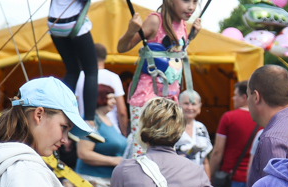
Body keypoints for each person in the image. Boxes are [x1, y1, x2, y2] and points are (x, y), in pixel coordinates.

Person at [117, 0, 201, 157]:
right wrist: (130, 31)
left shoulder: (182, 24)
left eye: (195, 2)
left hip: (169, 98)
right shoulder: (156, 21)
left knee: (167, 151)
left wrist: (190, 37)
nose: (191, 7)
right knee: (142, 151)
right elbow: (121, 48)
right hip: (146, 98)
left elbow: (174, 54)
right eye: (186, 1)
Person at [209, 81, 257, 187]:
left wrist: (212, 174)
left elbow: (217, 151)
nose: (232, 98)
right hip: (251, 180)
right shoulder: (260, 120)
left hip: (229, 180)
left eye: (235, 95)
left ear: (244, 97)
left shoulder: (228, 118)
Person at [49, 0, 99, 131]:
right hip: (74, 22)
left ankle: (61, 114)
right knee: (91, 70)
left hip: (54, 23)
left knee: (72, 70)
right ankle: (89, 121)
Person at [75, 85, 127, 187]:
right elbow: (83, 153)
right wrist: (113, 161)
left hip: (108, 181)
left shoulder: (107, 119)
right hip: (94, 182)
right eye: (110, 98)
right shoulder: (92, 121)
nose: (114, 102)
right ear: (100, 98)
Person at [79, 43, 128, 135]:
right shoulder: (113, 77)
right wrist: (124, 133)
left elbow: (75, 106)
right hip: (111, 131)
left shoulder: (80, 76)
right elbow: (122, 111)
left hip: (84, 130)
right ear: (105, 57)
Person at [174, 90, 212, 175]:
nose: (190, 107)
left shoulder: (201, 127)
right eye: (186, 103)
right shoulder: (172, 128)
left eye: (193, 104)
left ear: (199, 106)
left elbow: (205, 160)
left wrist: (208, 183)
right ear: (178, 104)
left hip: (198, 179)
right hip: (177, 178)